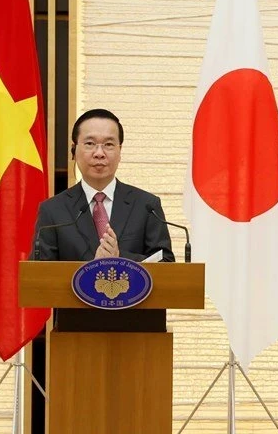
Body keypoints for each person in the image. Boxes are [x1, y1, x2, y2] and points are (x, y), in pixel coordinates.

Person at [30, 108, 174, 330]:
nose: (99, 153)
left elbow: (166, 265)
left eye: (108, 144)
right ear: (73, 150)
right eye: (89, 144)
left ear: (119, 151)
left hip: (140, 332)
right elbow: (40, 276)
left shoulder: (146, 205)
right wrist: (91, 267)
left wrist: (118, 260)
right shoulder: (53, 211)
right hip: (76, 333)